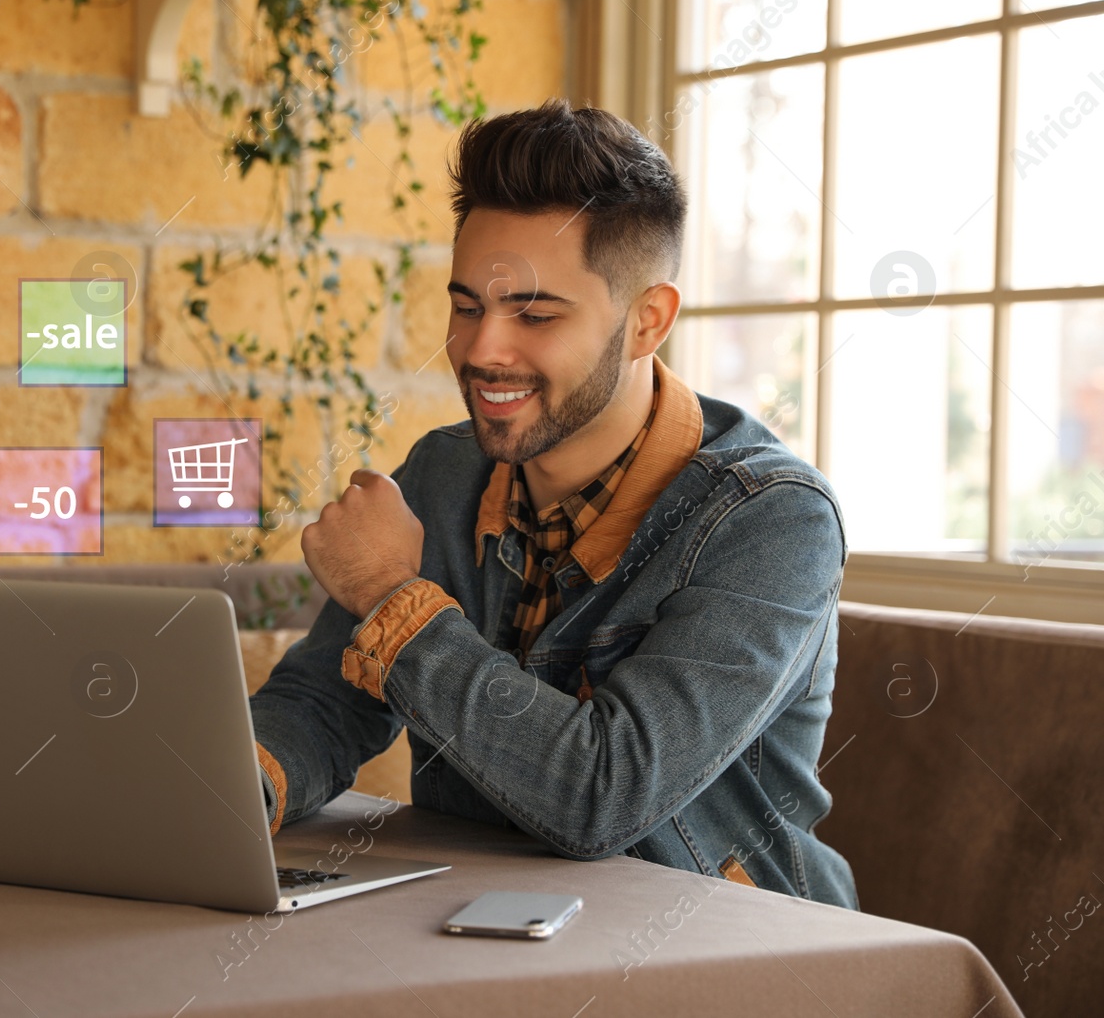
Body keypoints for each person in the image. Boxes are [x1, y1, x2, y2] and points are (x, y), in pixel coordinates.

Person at [248, 99, 857, 908]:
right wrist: (223, 796)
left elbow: (601, 796)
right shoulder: (443, 473)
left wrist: (392, 598)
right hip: (483, 937)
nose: (480, 349)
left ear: (647, 322)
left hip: (730, 960)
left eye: (534, 313)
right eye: (467, 306)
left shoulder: (775, 520)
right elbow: (324, 703)